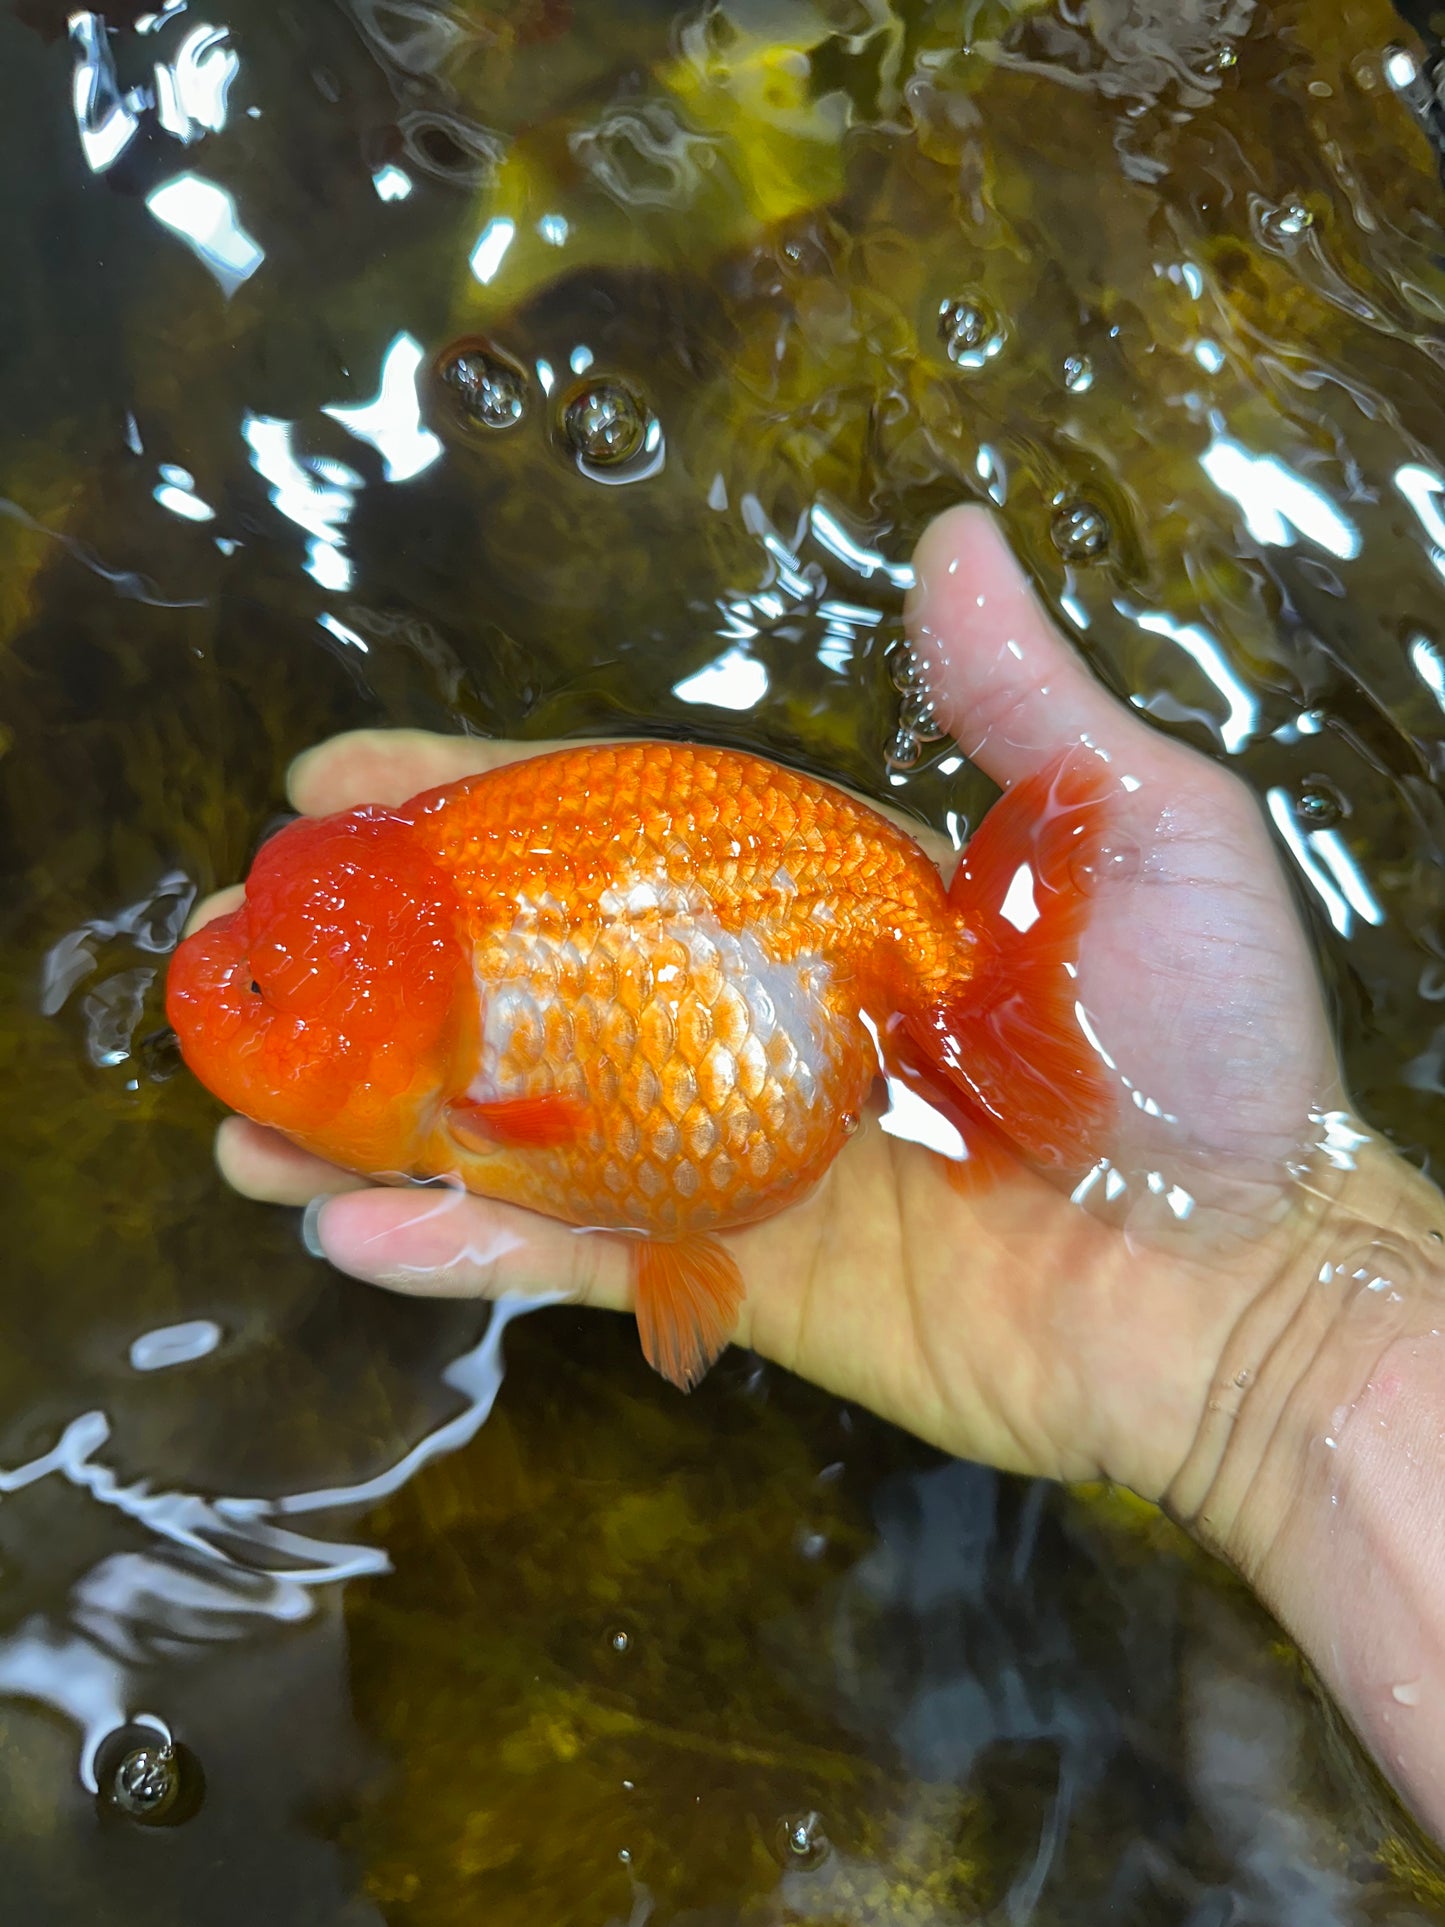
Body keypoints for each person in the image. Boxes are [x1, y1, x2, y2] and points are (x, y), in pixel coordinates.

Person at [193, 504, 1445, 1841]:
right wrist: (1301, 1304)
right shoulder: (447, 980)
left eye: (265, 989)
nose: (220, 985)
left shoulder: (483, 1090)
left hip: (823, 962)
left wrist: (1288, 1285)